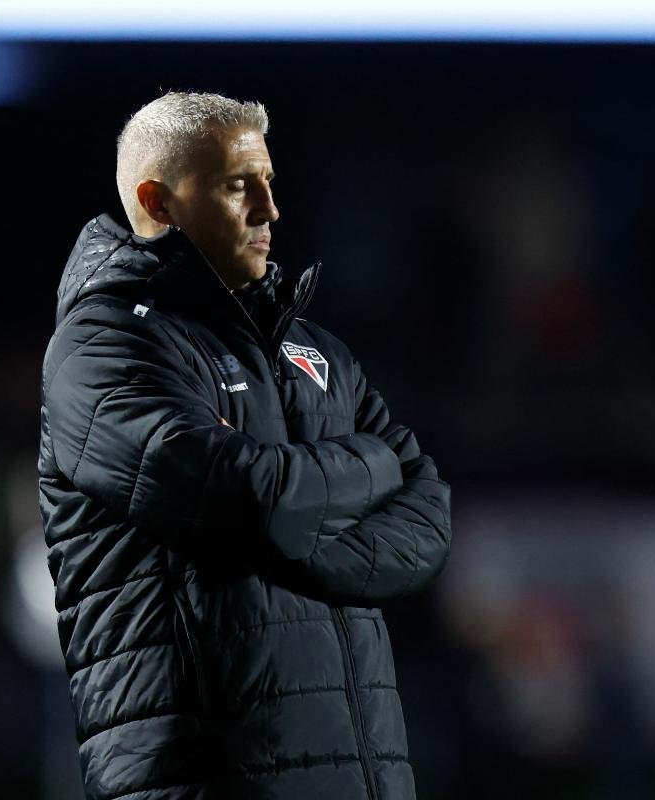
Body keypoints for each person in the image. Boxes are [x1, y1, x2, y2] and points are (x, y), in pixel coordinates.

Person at [37, 91, 452, 800]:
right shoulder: (102, 347)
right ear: (158, 202)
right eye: (238, 185)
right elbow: (246, 498)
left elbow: (428, 522)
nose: (269, 209)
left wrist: (295, 528)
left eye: (269, 183)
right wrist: (371, 469)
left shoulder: (316, 350)